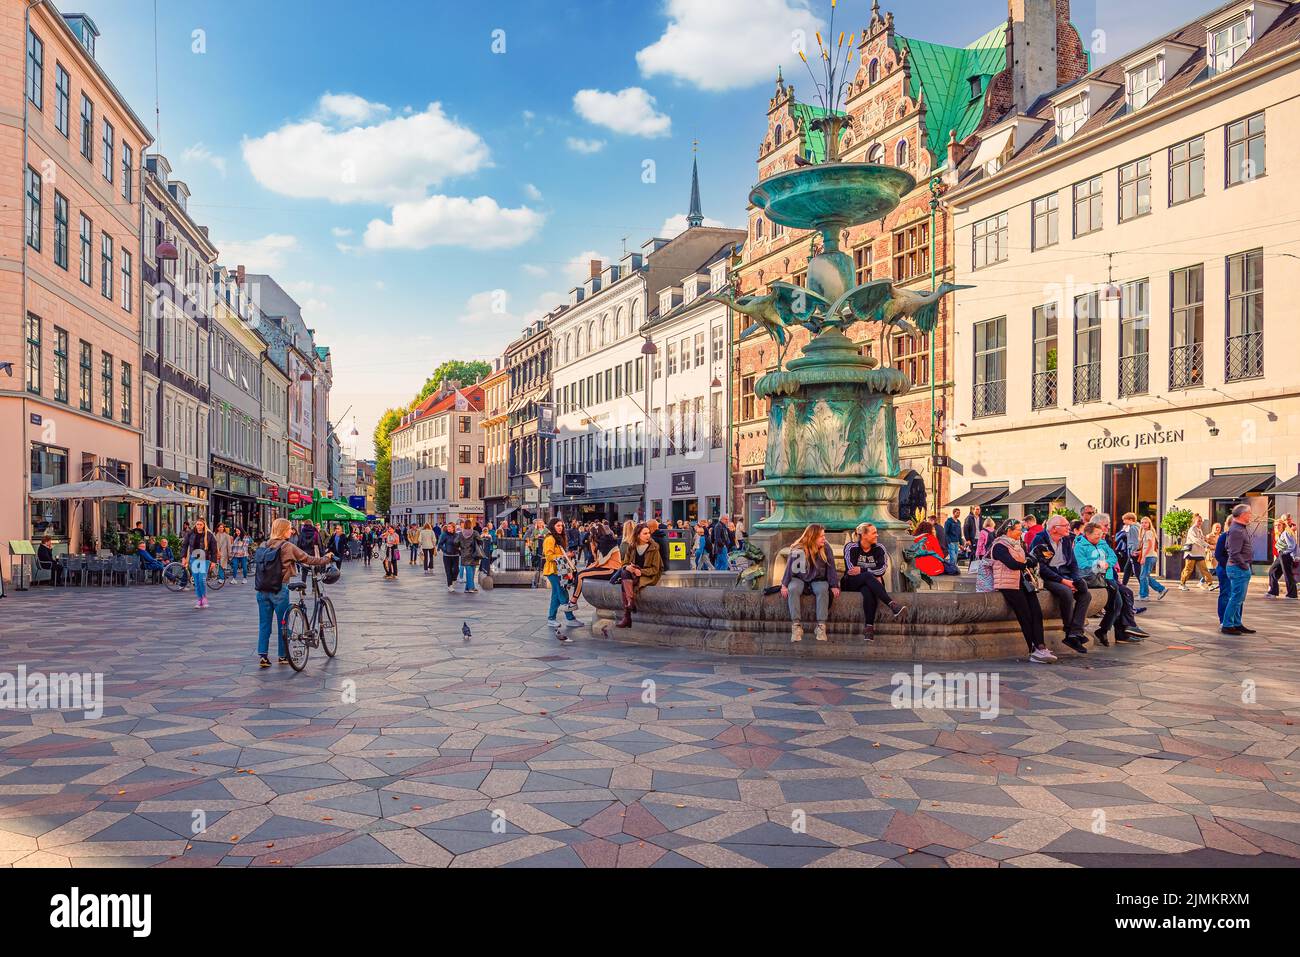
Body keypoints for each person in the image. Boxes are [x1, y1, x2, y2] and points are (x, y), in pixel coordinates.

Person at [253, 517, 334, 669]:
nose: (291, 531)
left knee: (264, 624)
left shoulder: (264, 544)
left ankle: (263, 656)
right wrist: (326, 559)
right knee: (283, 624)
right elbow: (309, 559)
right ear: (284, 530)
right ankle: (283, 655)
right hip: (279, 589)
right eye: (289, 528)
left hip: (262, 590)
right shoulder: (287, 546)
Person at [990, 519, 1057, 663]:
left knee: (1037, 613)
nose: (1021, 532)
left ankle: (1041, 647)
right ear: (1009, 530)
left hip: (1024, 583)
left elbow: (1026, 559)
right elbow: (1013, 564)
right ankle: (1033, 650)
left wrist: (1035, 558)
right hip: (1008, 585)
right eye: (1018, 530)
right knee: (1025, 616)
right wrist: (1028, 562)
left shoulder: (1017, 545)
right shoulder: (999, 546)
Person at [1029, 515, 1092, 654]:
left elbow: (1073, 563)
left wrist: (1075, 580)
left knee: (1085, 594)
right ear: (1054, 529)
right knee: (1066, 592)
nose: (1069, 528)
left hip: (1065, 574)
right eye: (1065, 526)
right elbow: (1041, 567)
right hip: (1047, 576)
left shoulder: (1067, 539)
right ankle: (1069, 630)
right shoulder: (1040, 539)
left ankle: (1075, 633)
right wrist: (1064, 581)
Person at [1075, 521, 1139, 647]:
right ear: (1087, 534)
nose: (1100, 537)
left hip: (1108, 577)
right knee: (1117, 604)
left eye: (1101, 534)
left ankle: (1105, 630)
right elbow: (1081, 565)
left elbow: (1113, 557)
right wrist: (1098, 565)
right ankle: (1111, 630)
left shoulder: (1102, 543)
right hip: (1094, 579)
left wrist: (1108, 563)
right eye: (1097, 535)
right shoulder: (1079, 546)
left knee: (1117, 604)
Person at [841, 523, 906, 642]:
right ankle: (891, 604)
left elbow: (882, 569)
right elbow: (850, 570)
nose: (877, 535)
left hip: (870, 584)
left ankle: (869, 628)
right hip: (851, 582)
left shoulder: (879, 548)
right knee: (867, 577)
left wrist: (862, 569)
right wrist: (871, 573)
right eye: (873, 532)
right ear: (863, 535)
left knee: (867, 590)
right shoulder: (851, 547)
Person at [781, 524, 841, 643]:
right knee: (793, 589)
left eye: (824, 535)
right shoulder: (799, 548)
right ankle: (796, 626)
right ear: (812, 537)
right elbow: (789, 569)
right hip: (799, 578)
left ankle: (821, 626)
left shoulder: (826, 548)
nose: (824, 538)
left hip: (818, 579)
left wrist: (834, 585)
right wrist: (784, 585)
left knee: (823, 589)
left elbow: (831, 568)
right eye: (821, 536)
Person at [617, 522, 663, 629]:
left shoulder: (654, 548)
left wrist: (641, 572)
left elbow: (656, 569)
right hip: (632, 574)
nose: (648, 536)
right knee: (625, 572)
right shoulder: (632, 546)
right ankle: (630, 602)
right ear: (638, 535)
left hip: (647, 575)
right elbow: (624, 563)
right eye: (645, 533)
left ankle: (627, 615)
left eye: (648, 533)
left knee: (624, 582)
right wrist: (627, 567)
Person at [542, 519, 582, 637]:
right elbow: (549, 557)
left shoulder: (558, 538)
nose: (560, 528)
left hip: (559, 571)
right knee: (562, 593)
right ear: (552, 526)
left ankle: (551, 618)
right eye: (558, 525)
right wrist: (566, 555)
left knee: (556, 594)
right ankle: (570, 618)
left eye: (561, 526)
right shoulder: (550, 539)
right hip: (553, 571)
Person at [1222, 503, 1256, 635]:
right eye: (1249, 513)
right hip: (1238, 569)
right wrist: (1244, 566)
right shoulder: (1236, 530)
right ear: (1242, 515)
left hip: (1238, 568)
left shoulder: (1238, 528)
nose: (1250, 516)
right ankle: (1228, 624)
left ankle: (1236, 623)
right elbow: (1234, 552)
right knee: (1236, 598)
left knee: (1238, 598)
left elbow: (1228, 547)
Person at [572, 522, 622, 605]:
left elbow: (602, 561)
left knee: (581, 575)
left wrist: (591, 565)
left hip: (611, 569)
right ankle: (573, 601)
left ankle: (573, 602)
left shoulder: (607, 543)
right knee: (581, 574)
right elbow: (599, 561)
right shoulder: (605, 541)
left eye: (592, 536)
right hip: (607, 568)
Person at [182, 519, 219, 609]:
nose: (198, 526)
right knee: (196, 580)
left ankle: (204, 598)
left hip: (204, 558)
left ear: (204, 525)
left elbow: (214, 549)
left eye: (200, 524)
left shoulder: (209, 535)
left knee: (202, 579)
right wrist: (183, 557)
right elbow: (185, 545)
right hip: (194, 559)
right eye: (197, 524)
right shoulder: (190, 533)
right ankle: (199, 599)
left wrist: (213, 561)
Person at [1136, 515, 1167, 601]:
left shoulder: (1149, 532)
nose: (1143, 524)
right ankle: (1161, 589)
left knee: (1143, 576)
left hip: (1148, 557)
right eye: (1142, 523)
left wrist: (1143, 557)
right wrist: (1139, 553)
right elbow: (1148, 546)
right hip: (1151, 556)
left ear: (1149, 524)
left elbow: (1150, 545)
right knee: (1146, 576)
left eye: (1146, 522)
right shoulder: (1147, 533)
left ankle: (1144, 595)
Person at [1179, 515, 1214, 590]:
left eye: (1201, 521)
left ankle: (1210, 584)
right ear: (1194, 521)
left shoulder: (1199, 530)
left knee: (1204, 569)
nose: (1200, 522)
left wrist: (1205, 539)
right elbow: (1196, 540)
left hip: (1199, 553)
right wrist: (1207, 545)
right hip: (1191, 553)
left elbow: (1200, 539)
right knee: (1188, 569)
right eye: (1198, 521)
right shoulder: (1192, 529)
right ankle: (1182, 584)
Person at [1266, 517, 1298, 599]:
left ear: (1283, 525)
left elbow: (1292, 546)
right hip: (1281, 555)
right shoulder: (1279, 534)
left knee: (1287, 574)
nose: (1277, 527)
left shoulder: (1286, 533)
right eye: (1275, 525)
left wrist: (1285, 552)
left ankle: (1292, 594)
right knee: (1272, 571)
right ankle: (1273, 592)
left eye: (1279, 525)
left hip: (1285, 555)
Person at [972, 516, 997, 593]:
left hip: (984, 553)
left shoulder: (983, 532)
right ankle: (992, 585)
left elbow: (980, 544)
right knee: (992, 570)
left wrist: (977, 554)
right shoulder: (995, 531)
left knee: (984, 571)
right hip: (993, 554)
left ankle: (984, 586)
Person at [458, 523, 484, 593]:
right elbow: (480, 541)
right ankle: (470, 588)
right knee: (471, 572)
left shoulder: (460, 533)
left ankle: (468, 587)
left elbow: (455, 542)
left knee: (469, 572)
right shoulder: (475, 533)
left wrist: (460, 549)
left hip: (464, 554)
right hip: (474, 554)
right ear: (471, 525)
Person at [438, 522, 460, 591]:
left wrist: (460, 550)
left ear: (453, 528)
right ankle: (449, 585)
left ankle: (453, 579)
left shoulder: (457, 535)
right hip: (447, 556)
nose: (448, 528)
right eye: (448, 527)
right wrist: (445, 550)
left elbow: (460, 544)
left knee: (456, 570)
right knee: (448, 571)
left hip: (455, 555)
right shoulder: (444, 535)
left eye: (450, 527)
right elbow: (440, 544)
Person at [1206, 521, 1223, 589]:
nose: (1218, 529)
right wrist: (1213, 547)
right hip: (1212, 555)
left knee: (1217, 569)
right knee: (1211, 570)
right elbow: (1205, 546)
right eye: (1216, 527)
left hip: (1219, 555)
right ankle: (1202, 582)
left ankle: (1220, 583)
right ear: (1213, 528)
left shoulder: (1221, 536)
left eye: (1219, 527)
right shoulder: (1209, 536)